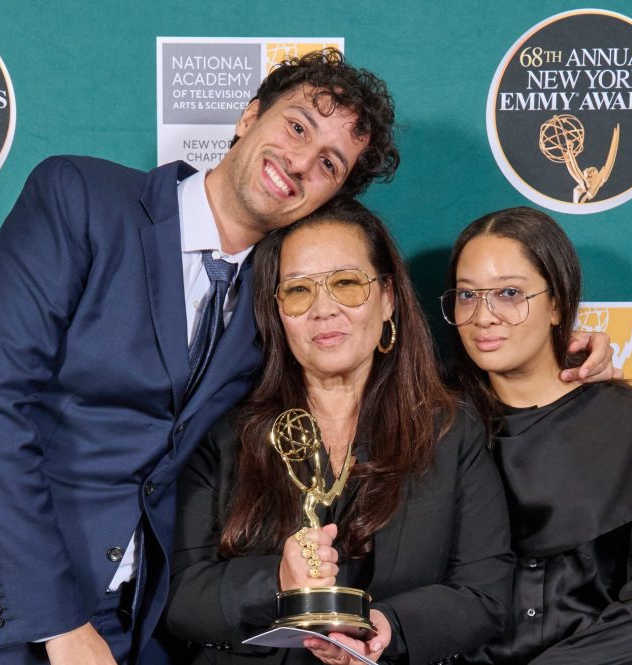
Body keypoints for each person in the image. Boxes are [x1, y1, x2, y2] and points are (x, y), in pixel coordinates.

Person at [0, 49, 400, 665]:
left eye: (329, 164)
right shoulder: (81, 199)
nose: (299, 162)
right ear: (249, 115)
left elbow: (347, 382)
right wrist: (58, 622)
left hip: (132, 618)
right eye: (296, 126)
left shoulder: (280, 296)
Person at [162, 198, 515, 665]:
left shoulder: (450, 431)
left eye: (346, 283)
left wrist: (388, 627)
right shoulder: (226, 433)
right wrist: (277, 583)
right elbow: (178, 598)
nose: (323, 310)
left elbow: (484, 595)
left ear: (388, 297)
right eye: (298, 291)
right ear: (276, 311)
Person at [441, 207, 632, 664]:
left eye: (510, 293)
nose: (483, 317)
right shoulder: (439, 427)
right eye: (468, 296)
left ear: (556, 303)